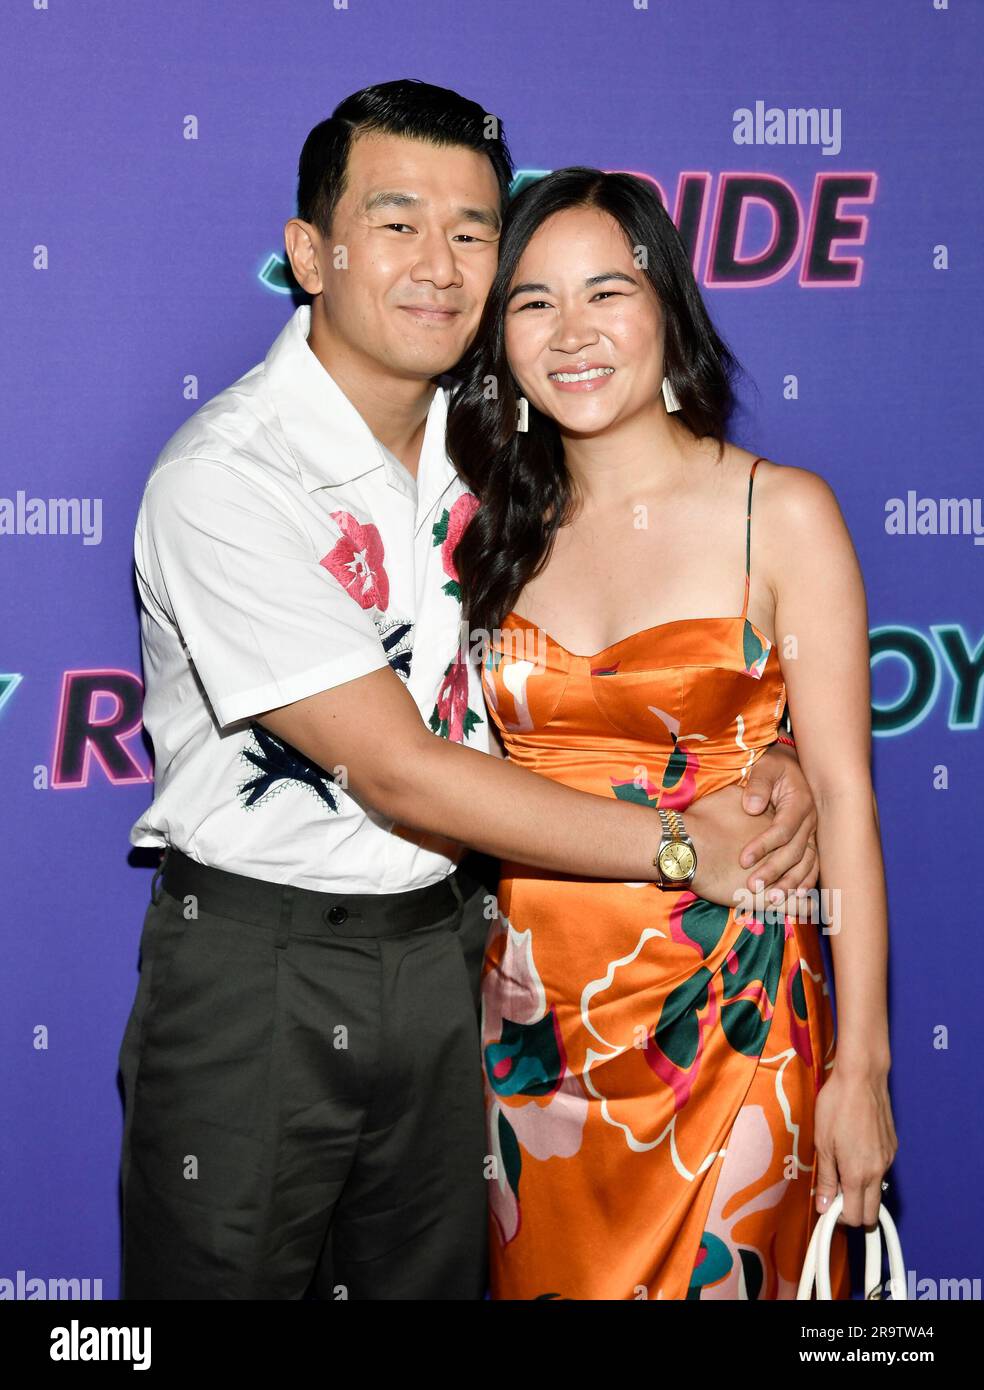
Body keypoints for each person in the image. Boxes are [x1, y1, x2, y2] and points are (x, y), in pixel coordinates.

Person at [118, 81, 821, 1301]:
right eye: (397, 222)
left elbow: (676, 621)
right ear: (308, 253)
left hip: (462, 967)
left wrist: (777, 750)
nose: (440, 264)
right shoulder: (226, 477)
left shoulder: (503, 447)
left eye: (473, 230)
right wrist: (680, 846)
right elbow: (399, 769)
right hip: (259, 969)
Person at [446, 166, 898, 1300]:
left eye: (609, 291)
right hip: (531, 1048)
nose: (575, 332)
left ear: (670, 311)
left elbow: (844, 795)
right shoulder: (479, 531)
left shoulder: (782, 512)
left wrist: (866, 1068)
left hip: (740, 1026)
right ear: (499, 340)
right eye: (533, 302)